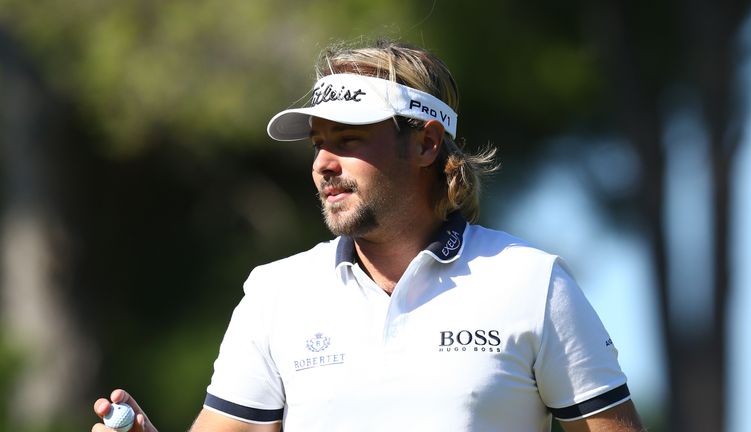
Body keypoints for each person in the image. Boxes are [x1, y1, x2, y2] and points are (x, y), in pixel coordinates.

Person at [93, 40, 645, 432]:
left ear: (427, 145)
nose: (323, 164)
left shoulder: (533, 282)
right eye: (317, 142)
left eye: (349, 140)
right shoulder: (275, 293)